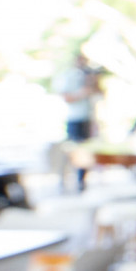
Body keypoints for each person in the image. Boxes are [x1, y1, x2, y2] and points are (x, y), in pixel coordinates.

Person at [54, 50, 102, 191]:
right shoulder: (68, 76)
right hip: (74, 118)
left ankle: (81, 180)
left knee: (85, 151)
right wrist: (82, 92)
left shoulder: (88, 75)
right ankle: (64, 178)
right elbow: (66, 97)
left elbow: (99, 93)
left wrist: (93, 82)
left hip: (88, 118)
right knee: (72, 150)